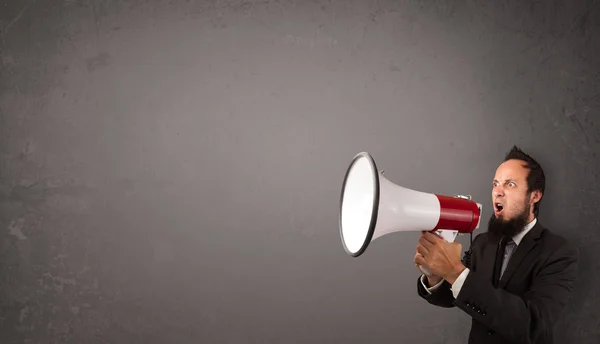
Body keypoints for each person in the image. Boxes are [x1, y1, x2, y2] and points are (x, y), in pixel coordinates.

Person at [414, 145, 579, 344]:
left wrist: (455, 271)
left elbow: (535, 326)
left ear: (535, 196)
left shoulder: (558, 252)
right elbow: (452, 296)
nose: (497, 192)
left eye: (510, 184)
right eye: (495, 184)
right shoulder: (483, 243)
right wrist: (435, 276)